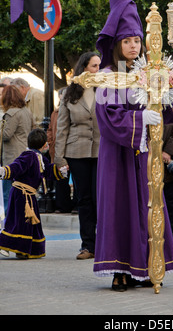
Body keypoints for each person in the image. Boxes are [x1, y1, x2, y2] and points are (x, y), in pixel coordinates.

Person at [93, 0, 173, 291]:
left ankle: (149, 267)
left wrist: (167, 98)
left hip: (144, 154)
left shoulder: (148, 70)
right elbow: (109, 120)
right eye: (127, 41)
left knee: (149, 208)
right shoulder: (108, 77)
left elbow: (170, 110)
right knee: (119, 211)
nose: (132, 46)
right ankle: (119, 270)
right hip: (119, 154)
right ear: (117, 44)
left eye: (135, 40)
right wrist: (137, 122)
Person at [54, 52, 101, 259]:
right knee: (84, 199)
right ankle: (87, 245)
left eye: (99, 65)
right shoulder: (69, 94)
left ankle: (104, 243)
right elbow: (62, 127)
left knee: (100, 197)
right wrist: (59, 157)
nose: (98, 70)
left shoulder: (107, 90)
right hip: (77, 151)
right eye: (94, 66)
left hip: (102, 151)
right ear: (84, 68)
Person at [0, 128, 67, 259]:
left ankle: (30, 249)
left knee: (32, 223)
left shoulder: (40, 158)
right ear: (44, 145)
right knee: (19, 222)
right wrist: (5, 171)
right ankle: (10, 246)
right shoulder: (28, 155)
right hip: (21, 194)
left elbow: (48, 171)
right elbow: (17, 166)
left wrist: (60, 172)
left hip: (29, 196)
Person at [1, 85, 34, 213]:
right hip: (25, 154)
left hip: (12, 157)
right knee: (22, 192)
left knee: (8, 193)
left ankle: (10, 225)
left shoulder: (11, 113)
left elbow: (6, 135)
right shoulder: (26, 111)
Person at [47, 87, 74, 213]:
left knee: (77, 178)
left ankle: (76, 205)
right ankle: (62, 205)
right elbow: (50, 129)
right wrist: (51, 141)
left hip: (72, 147)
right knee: (60, 178)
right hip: (58, 149)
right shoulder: (55, 113)